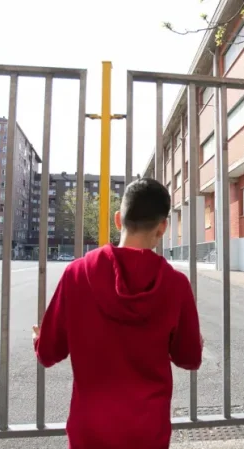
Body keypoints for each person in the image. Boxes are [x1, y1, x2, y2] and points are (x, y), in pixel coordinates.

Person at [32, 177, 203, 449]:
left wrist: (40, 338)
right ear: (163, 227)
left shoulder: (76, 274)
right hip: (148, 430)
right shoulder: (176, 285)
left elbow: (48, 353)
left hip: (90, 429)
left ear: (117, 219)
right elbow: (189, 357)